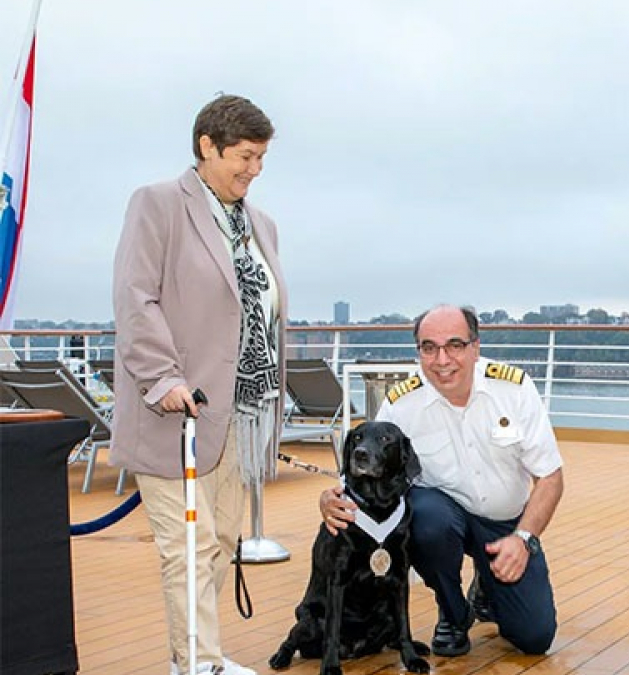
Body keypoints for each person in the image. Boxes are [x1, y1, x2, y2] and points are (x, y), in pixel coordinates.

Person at [112, 94, 286, 675]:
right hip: (175, 410)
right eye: (244, 156)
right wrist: (161, 375)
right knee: (190, 546)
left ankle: (199, 655)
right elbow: (136, 297)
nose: (254, 170)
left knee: (221, 543)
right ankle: (197, 665)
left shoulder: (261, 224)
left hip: (239, 411)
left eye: (261, 159)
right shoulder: (158, 204)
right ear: (206, 146)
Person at [320, 304, 563, 657]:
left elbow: (551, 477)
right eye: (429, 347)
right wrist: (330, 498)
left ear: (475, 347)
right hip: (441, 518)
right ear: (418, 351)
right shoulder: (401, 404)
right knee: (424, 519)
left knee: (534, 637)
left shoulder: (513, 389)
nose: (442, 359)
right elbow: (363, 469)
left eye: (455, 345)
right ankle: (451, 612)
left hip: (505, 526)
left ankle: (487, 586)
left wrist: (523, 539)